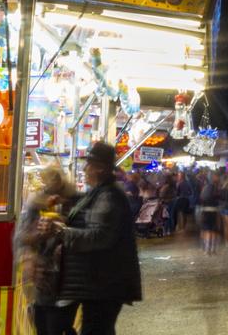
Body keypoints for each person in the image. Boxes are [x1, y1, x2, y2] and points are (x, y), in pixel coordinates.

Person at [52, 141, 142, 335]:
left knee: (96, 329)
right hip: (98, 283)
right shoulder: (99, 193)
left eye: (89, 165)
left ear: (100, 169)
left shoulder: (108, 196)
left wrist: (62, 232)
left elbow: (99, 236)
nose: (85, 169)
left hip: (104, 284)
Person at [16, 166, 78, 335]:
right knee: (43, 326)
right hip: (41, 280)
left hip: (67, 280)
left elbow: (86, 237)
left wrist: (61, 225)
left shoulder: (75, 202)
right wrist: (28, 252)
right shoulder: (36, 203)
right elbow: (21, 237)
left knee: (56, 327)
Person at [198, 171, 222, 254]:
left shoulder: (205, 187)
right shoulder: (213, 187)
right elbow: (216, 198)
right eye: (216, 176)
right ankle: (210, 249)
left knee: (207, 230)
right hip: (212, 211)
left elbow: (202, 199)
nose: (218, 178)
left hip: (205, 210)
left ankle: (207, 248)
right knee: (211, 230)